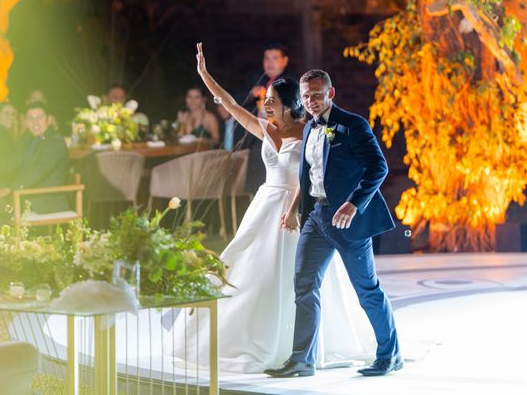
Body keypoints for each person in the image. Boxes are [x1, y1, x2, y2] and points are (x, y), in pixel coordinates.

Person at [172, 43, 375, 373]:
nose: (265, 105)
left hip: (296, 208)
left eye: (272, 101)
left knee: (296, 277)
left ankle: (299, 350)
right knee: (246, 267)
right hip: (265, 204)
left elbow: (314, 171)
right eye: (265, 100)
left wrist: (295, 207)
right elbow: (233, 106)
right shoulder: (265, 129)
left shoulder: (311, 129)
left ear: (290, 105)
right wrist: (205, 75)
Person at [265, 69, 402, 378]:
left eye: (316, 95)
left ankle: (389, 354)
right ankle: (302, 360)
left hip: (348, 221)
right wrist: (295, 210)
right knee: (303, 285)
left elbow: (378, 167)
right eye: (305, 96)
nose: (311, 101)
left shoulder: (353, 124)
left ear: (331, 93)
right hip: (316, 218)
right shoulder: (309, 127)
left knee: (366, 289)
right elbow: (310, 175)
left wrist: (355, 203)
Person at [0, 101, 70, 217]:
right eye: (30, 118)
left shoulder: (54, 141)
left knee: (1, 213)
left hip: (45, 200)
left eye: (39, 118)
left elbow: (38, 170)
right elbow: (13, 161)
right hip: (26, 196)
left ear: (48, 120)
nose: (35, 122)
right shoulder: (28, 139)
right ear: (26, 122)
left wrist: (11, 188)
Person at [236, 43, 293, 193]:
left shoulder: (290, 82)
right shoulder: (256, 79)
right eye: (266, 58)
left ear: (284, 61)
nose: (269, 62)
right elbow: (237, 103)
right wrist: (251, 94)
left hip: (281, 140)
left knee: (278, 184)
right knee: (256, 185)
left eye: (274, 58)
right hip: (256, 139)